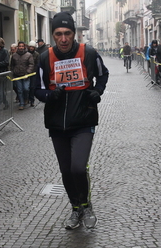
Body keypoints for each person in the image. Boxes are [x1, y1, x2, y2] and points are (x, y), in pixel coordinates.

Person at [34, 11, 109, 230]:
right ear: (53, 35)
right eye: (58, 34)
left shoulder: (88, 52)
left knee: (77, 167)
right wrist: (50, 95)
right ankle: (76, 208)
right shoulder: (44, 58)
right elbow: (36, 89)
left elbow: (103, 74)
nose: (64, 38)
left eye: (67, 33)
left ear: (74, 33)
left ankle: (86, 205)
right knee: (66, 171)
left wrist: (97, 91)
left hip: (83, 120)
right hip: (57, 124)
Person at [10, 41, 34, 110]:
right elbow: (12, 65)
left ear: (24, 47)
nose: (21, 47)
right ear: (18, 47)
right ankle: (22, 103)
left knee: (26, 89)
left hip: (25, 75)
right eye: (19, 46)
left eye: (22, 46)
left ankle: (26, 98)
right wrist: (13, 73)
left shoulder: (29, 55)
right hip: (17, 75)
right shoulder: (14, 55)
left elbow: (31, 65)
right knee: (19, 90)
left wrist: (28, 73)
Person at [27, 41, 40, 107]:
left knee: (32, 87)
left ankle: (32, 100)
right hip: (26, 73)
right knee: (26, 87)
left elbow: (37, 63)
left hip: (33, 73)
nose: (31, 48)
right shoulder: (26, 53)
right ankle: (27, 98)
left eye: (32, 47)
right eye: (30, 47)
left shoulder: (36, 54)